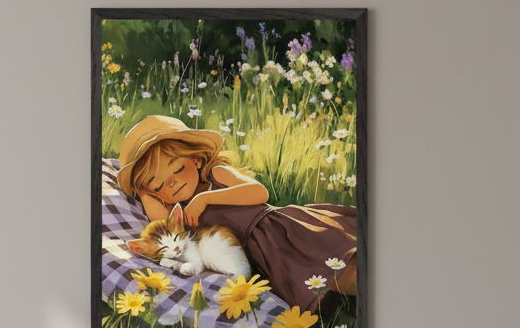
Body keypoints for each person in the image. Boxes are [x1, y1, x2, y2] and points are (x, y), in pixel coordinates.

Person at [115, 115, 357, 309]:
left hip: (282, 230)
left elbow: (259, 192)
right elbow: (160, 224)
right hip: (263, 255)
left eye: (177, 169)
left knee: (342, 264)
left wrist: (205, 198)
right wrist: (143, 190)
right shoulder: (181, 215)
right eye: (159, 185)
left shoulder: (216, 175)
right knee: (321, 283)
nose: (173, 183)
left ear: (196, 159)